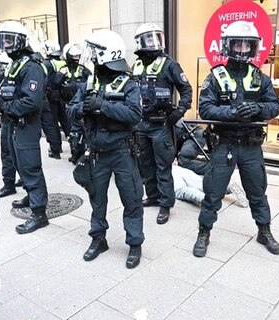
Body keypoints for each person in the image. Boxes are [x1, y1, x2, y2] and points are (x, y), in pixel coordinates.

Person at [192, 20, 279, 257]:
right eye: (237, 44)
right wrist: (230, 113)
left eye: (247, 44)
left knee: (257, 191)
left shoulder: (260, 77)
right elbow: (205, 109)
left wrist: (258, 109)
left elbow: (274, 106)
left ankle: (264, 230)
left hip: (251, 145)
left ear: (253, 47)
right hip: (225, 144)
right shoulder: (215, 77)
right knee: (213, 192)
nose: (242, 49)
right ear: (227, 46)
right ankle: (204, 232)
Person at [71, 29, 144, 269]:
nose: (91, 56)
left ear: (106, 54)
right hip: (96, 153)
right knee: (97, 199)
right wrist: (83, 107)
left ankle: (134, 243)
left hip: (122, 152)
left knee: (131, 198)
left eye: (95, 52)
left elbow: (135, 115)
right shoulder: (88, 83)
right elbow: (69, 110)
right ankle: (98, 239)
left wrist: (103, 106)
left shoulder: (128, 83)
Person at [0, 21, 49, 234]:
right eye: (3, 39)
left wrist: (3, 105)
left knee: (30, 166)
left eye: (9, 39)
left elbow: (31, 102)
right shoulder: (16, 64)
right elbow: (7, 89)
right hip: (13, 123)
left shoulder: (31, 67)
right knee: (19, 164)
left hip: (26, 124)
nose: (5, 44)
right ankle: (31, 195)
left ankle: (39, 213)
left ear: (22, 42)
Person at [132, 23, 193, 225]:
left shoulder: (169, 64)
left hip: (161, 125)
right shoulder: (136, 65)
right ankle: (153, 196)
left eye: (156, 37)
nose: (154, 42)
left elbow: (186, 90)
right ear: (140, 42)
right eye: (149, 39)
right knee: (145, 164)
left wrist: (178, 113)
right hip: (141, 124)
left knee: (163, 166)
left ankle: (166, 204)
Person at [0, 50, 22, 197]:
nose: (1, 69)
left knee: (20, 154)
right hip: (6, 119)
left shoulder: (20, 76)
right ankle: (8, 183)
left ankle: (25, 184)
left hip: (18, 120)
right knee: (7, 152)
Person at [59, 43, 92, 163]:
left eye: (78, 56)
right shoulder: (63, 69)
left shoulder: (84, 70)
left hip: (81, 104)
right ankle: (75, 154)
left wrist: (73, 86)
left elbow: (90, 84)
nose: (76, 58)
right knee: (71, 132)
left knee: (82, 132)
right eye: (73, 56)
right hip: (68, 104)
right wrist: (61, 75)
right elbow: (54, 84)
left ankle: (83, 154)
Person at [40, 40, 64, 159]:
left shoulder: (46, 64)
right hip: (63, 96)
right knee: (66, 122)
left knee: (52, 123)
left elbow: (44, 81)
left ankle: (56, 149)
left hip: (50, 97)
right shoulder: (63, 61)